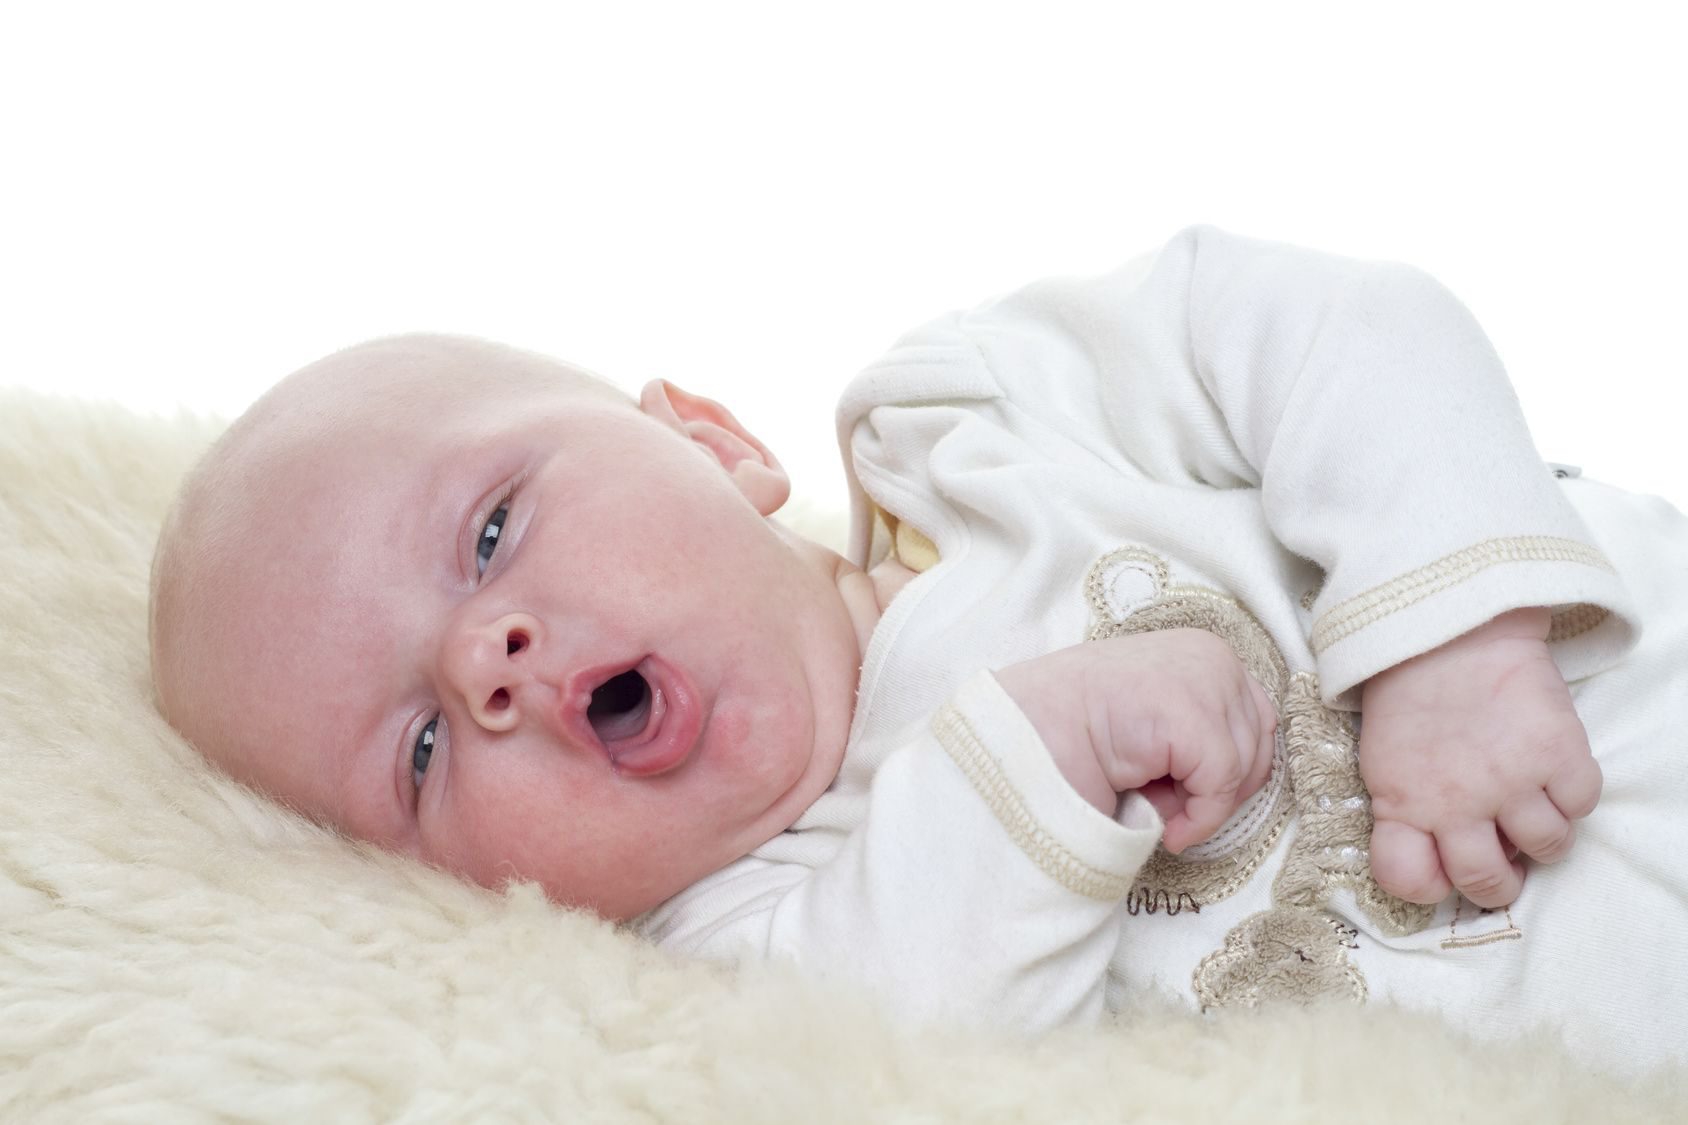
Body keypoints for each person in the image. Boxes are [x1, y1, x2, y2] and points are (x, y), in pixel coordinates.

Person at [148, 226, 1688, 1076]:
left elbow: (1338, 326)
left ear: (712, 439)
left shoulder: (980, 422)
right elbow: (931, 1054)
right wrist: (1047, 744)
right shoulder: (753, 941)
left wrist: (1452, 640)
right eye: (420, 750)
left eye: (491, 530)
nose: (488, 659)